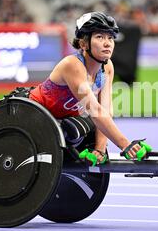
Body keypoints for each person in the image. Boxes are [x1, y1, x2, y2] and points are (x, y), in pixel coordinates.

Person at [29, 11, 146, 165]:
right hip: (36, 116)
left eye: (110, 37)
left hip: (63, 119)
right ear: (84, 44)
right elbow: (95, 111)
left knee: (89, 128)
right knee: (77, 129)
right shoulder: (72, 65)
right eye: (100, 37)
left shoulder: (107, 67)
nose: (107, 43)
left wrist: (100, 150)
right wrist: (126, 145)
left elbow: (106, 111)